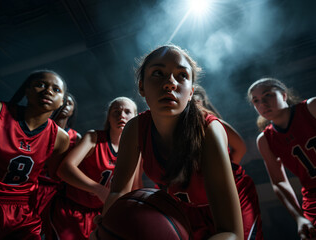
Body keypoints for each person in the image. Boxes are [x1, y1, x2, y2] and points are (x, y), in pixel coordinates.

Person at [95, 45, 244, 240]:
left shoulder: (209, 130)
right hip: (181, 207)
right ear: (141, 86)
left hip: (233, 205)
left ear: (190, 92)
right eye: (158, 73)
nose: (170, 83)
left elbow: (232, 233)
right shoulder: (135, 128)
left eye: (181, 75)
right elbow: (118, 192)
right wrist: (108, 225)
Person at [247, 77, 316, 240]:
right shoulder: (265, 139)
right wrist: (299, 217)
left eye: (268, 95)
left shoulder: (314, 107)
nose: (262, 103)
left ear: (284, 95)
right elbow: (278, 182)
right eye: (256, 101)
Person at [0, 69, 70, 239]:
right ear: (27, 90)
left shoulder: (60, 138)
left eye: (56, 89)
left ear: (61, 102)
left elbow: (51, 176)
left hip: (19, 211)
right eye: (40, 85)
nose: (48, 91)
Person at [53, 96, 141, 240]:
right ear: (109, 117)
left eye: (127, 112)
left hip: (101, 214)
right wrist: (98, 189)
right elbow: (64, 169)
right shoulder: (93, 137)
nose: (122, 116)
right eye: (116, 112)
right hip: (72, 209)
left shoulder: (135, 150)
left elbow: (135, 188)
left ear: (136, 117)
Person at [193, 85, 263, 240]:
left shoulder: (212, 122)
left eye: (194, 100)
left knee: (242, 235)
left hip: (234, 189)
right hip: (200, 197)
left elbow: (240, 148)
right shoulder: (177, 130)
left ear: (200, 101)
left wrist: (225, 173)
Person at [36, 92, 82, 240]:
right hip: (33, 184)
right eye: (63, 102)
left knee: (48, 230)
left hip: (57, 192)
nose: (64, 106)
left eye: (69, 103)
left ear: (73, 110)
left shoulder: (76, 137)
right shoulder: (40, 127)